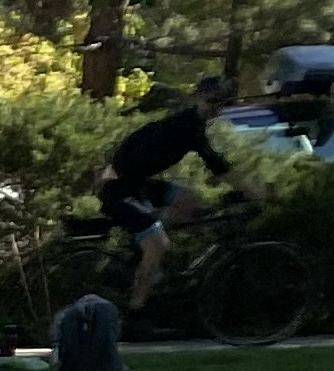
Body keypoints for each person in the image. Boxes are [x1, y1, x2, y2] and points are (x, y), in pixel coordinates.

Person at [97, 74, 239, 310]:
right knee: (158, 245)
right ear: (197, 97)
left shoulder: (189, 121)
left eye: (222, 103)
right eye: (212, 101)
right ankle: (136, 310)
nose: (216, 108)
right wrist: (251, 190)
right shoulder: (186, 125)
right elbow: (217, 165)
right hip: (119, 191)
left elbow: (217, 167)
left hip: (137, 184)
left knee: (190, 199)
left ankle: (148, 258)